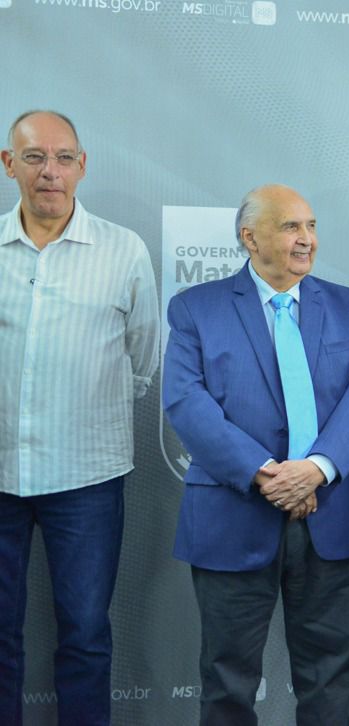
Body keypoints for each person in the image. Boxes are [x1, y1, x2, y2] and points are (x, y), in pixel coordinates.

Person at [162, 184, 349, 725]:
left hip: (331, 515)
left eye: (310, 226)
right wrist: (266, 474)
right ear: (249, 237)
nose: (306, 239)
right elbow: (186, 402)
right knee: (227, 679)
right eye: (290, 227)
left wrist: (314, 470)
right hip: (233, 515)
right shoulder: (196, 308)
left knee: (329, 676)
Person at [0, 110, 159, 726]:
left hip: (87, 478)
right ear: (8, 164)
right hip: (1, 474)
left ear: (82, 166)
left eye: (64, 158)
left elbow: (143, 355)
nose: (50, 172)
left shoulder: (123, 250)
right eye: (35, 157)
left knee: (87, 636)